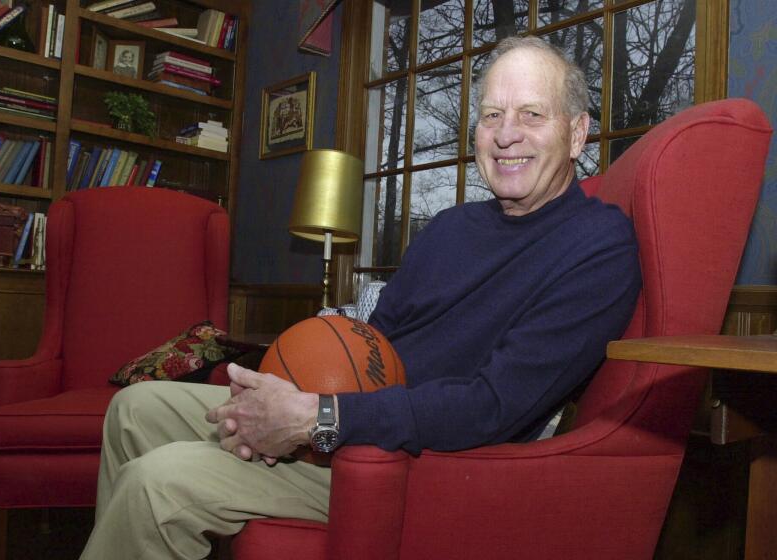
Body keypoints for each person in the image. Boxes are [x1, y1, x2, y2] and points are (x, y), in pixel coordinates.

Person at [80, 35, 641, 559]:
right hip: (350, 421)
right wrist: (287, 394)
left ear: (576, 133)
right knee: (134, 408)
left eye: (531, 115)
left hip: (410, 462)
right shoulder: (449, 227)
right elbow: (371, 340)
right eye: (492, 115)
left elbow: (492, 406)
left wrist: (313, 419)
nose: (505, 133)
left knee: (155, 487)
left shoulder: (599, 247)